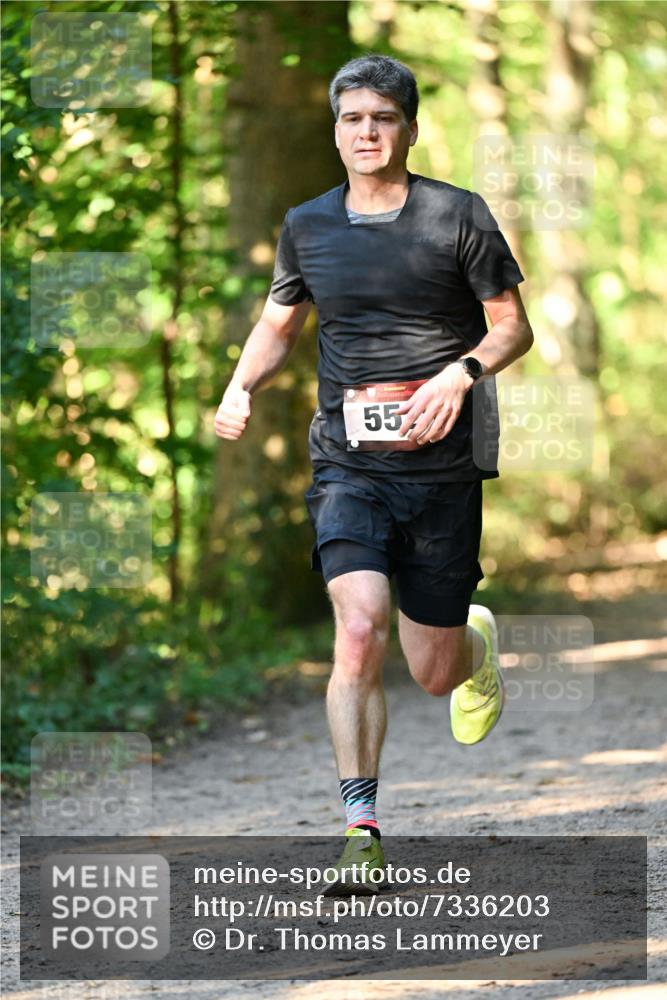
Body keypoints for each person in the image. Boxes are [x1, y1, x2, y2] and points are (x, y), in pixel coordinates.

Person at [215, 54, 533, 894]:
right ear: (335, 129)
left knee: (433, 671)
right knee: (357, 627)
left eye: (381, 118)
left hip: (443, 465)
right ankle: (361, 826)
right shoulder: (307, 224)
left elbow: (511, 328)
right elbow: (279, 324)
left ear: (408, 127)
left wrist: (457, 374)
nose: (366, 132)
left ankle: (475, 641)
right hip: (348, 463)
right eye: (351, 118)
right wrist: (239, 385)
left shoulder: (455, 215)